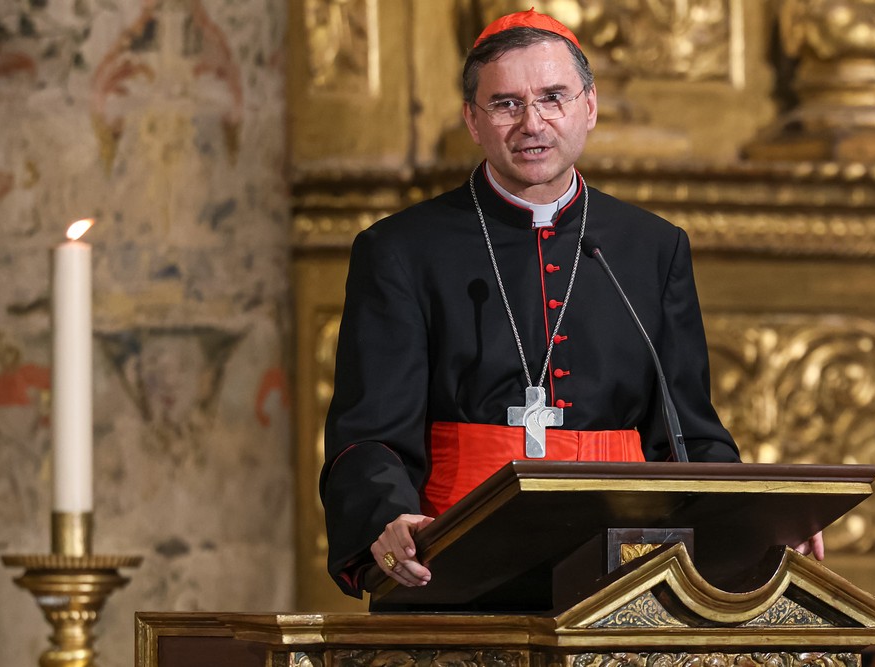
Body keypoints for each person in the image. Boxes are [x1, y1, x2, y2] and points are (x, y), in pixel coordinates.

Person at [320, 9, 820, 599]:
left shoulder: (651, 248)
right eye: (505, 104)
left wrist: (759, 520)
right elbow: (369, 433)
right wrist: (388, 518)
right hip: (456, 556)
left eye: (553, 98)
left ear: (590, 106)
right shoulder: (401, 249)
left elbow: (687, 436)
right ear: (472, 119)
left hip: (625, 569)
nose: (531, 123)